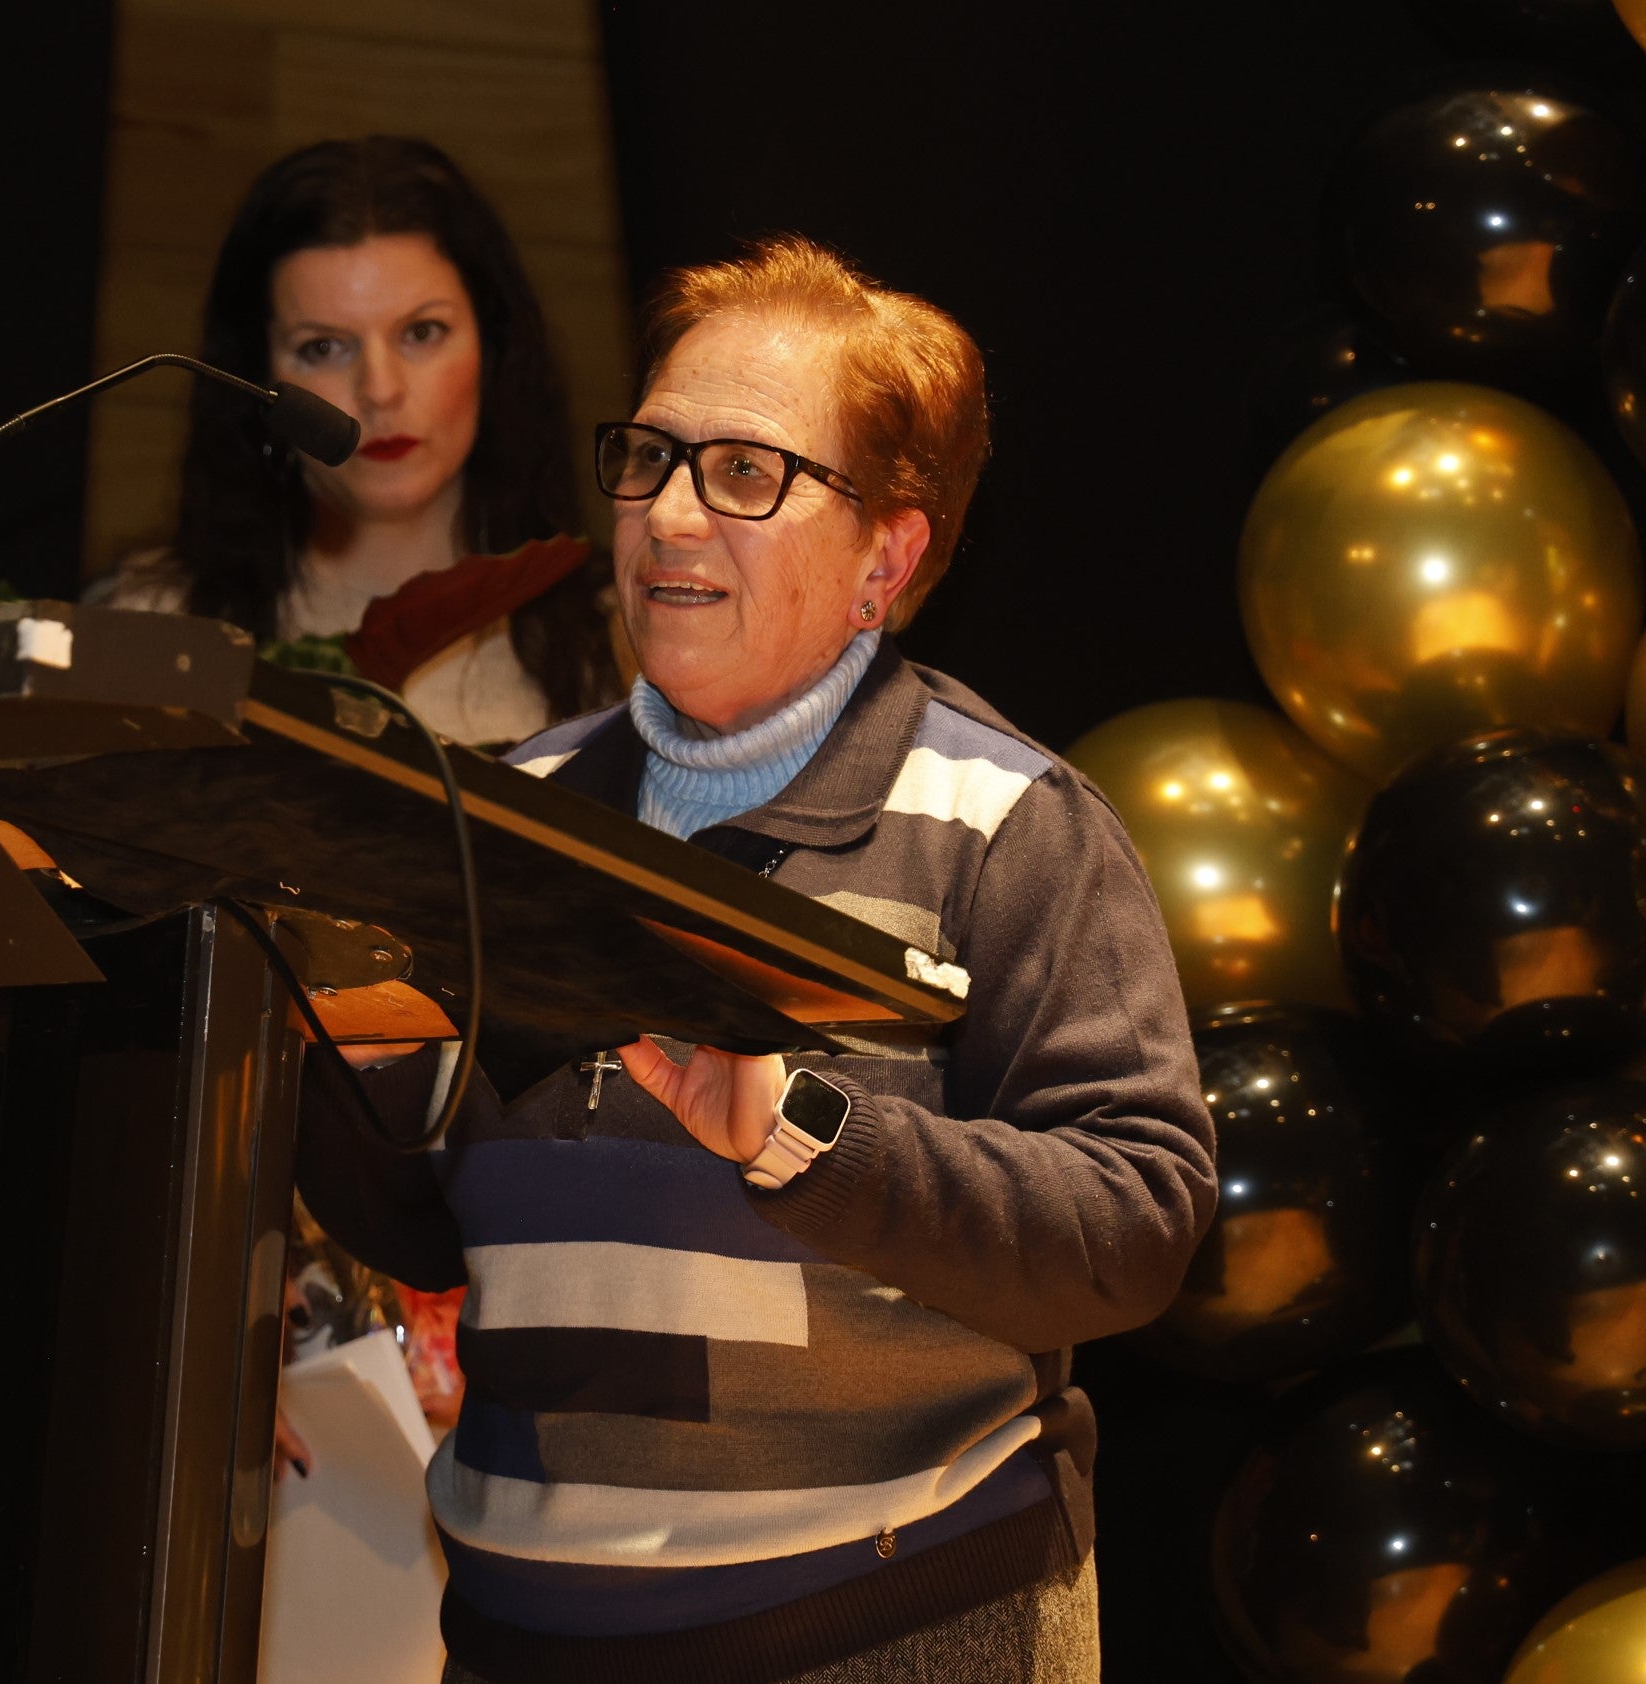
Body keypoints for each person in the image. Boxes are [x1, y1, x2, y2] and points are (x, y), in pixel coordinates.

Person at [294, 235, 1217, 1683]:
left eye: (744, 474)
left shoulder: (1006, 827)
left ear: (888, 557)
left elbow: (1136, 1220)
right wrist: (347, 1069)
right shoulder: (502, 816)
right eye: (651, 457)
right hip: (520, 1641)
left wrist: (806, 1139)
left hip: (894, 1631)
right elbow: (421, 1227)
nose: (667, 516)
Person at [92, 135, 623, 745]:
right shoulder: (157, 629)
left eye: (422, 332)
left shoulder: (617, 636)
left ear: (494, 350)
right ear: (256, 378)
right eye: (323, 347)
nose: (380, 390)